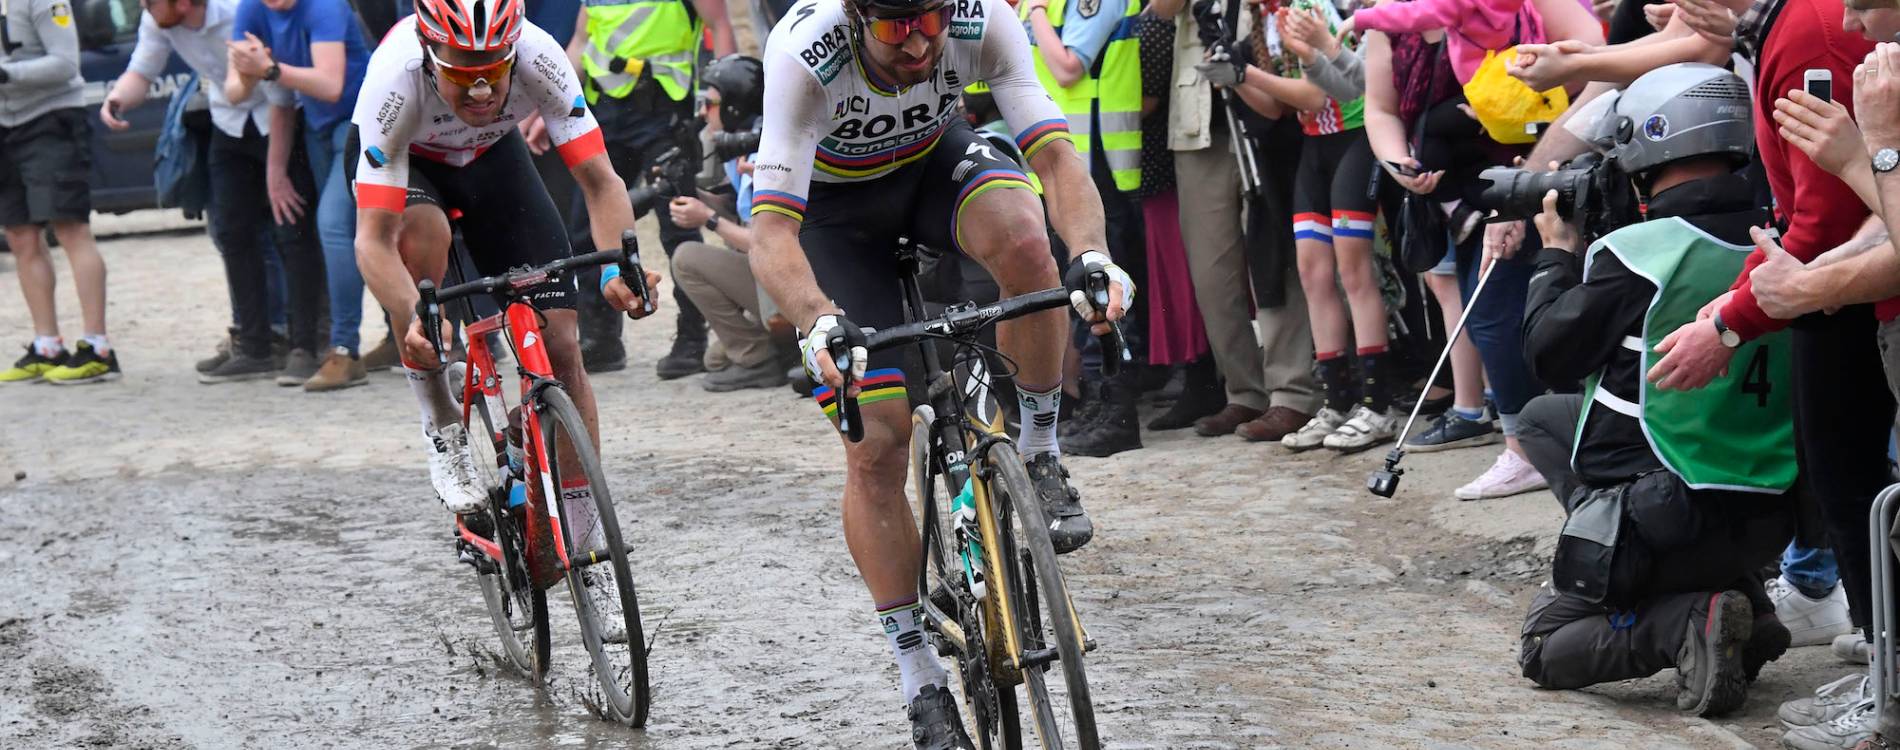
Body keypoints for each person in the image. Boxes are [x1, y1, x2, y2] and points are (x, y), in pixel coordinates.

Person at [749, 0, 1133, 741]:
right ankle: (918, 675)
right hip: (833, 218)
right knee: (877, 445)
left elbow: (1054, 155)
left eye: (930, 19)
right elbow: (771, 232)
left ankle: (1042, 453)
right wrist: (815, 315)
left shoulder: (978, 19)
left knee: (1030, 247)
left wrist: (1091, 251)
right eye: (896, 27)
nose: (920, 41)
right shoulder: (807, 54)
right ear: (858, 17)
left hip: (935, 167)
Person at [348, 0, 658, 627]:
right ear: (432, 60)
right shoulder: (394, 80)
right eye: (464, 74)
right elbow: (372, 242)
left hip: (493, 163)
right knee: (424, 241)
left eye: (496, 69)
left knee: (564, 348)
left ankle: (576, 532)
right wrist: (414, 317)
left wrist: (615, 270)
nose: (485, 88)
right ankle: (441, 420)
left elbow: (600, 180)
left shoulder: (540, 56)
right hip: (415, 170)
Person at [1513, 63, 1797, 717]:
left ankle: (1684, 619)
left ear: (1648, 144)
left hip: (1672, 513)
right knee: (1542, 421)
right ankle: (1746, 603)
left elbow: (1548, 355)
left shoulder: (1642, 252)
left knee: (1544, 644)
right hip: (1770, 512)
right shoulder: (1783, 239)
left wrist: (1556, 254)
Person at [1656, 1, 1891, 745]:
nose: (1856, 24)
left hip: (1860, 293)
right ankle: (1884, 664)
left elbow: (1830, 211)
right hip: (1851, 277)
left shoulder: (1810, 29)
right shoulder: (1790, 25)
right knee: (1843, 479)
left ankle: (1889, 682)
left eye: (1865, 8)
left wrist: (1736, 318)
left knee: (1851, 481)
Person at [102, 0, 326, 387]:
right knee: (232, 231)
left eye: (150, 1)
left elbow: (278, 94)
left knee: (292, 229)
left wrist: (276, 172)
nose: (143, 6)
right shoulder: (159, 18)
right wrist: (118, 98)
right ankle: (256, 345)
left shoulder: (238, 11)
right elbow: (142, 68)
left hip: (282, 114)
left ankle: (307, 344)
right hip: (228, 119)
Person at [1150, 0, 1321, 443]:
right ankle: (1244, 391)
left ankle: (1292, 393)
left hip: (1268, 121)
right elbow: (1161, 9)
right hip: (1199, 126)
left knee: (1273, 257)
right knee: (1211, 272)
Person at [563, 0, 735, 377]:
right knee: (584, 225)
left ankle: (691, 339)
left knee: (677, 225)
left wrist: (723, 100)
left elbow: (720, 26)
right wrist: (550, 106)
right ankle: (601, 338)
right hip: (603, 109)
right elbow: (580, 41)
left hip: (665, 112)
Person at [225, 0, 377, 391]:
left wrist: (269, 69)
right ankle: (386, 338)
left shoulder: (324, 6)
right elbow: (235, 92)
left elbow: (331, 85)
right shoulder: (251, 12)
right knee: (356, 232)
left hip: (362, 122)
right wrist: (274, 173)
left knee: (335, 226)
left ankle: (345, 349)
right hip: (319, 130)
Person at [1019, 0, 1147, 457]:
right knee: (1077, 293)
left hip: (1098, 165)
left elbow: (1068, 67)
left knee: (1104, 292)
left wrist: (1033, 11)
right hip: (1063, 168)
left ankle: (1118, 412)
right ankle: (1096, 400)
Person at [0, 0, 119, 385]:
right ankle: (47, 344)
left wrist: (4, 74)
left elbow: (66, 63)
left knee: (69, 228)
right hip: (4, 126)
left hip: (51, 118)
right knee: (19, 236)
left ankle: (97, 347)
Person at [669, 55, 790, 392]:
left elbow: (769, 240)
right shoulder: (749, 142)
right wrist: (690, 194)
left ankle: (764, 358)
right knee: (716, 359)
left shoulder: (762, 152)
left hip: (791, 278)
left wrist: (707, 220)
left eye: (710, 103)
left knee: (687, 257)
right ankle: (777, 349)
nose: (704, 111)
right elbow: (743, 209)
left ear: (734, 106)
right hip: (783, 276)